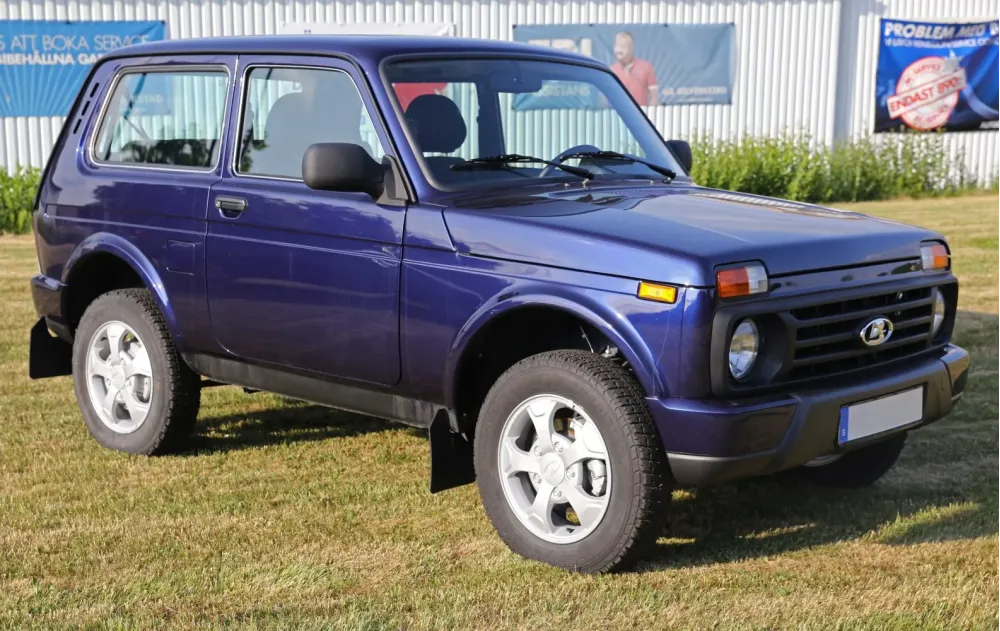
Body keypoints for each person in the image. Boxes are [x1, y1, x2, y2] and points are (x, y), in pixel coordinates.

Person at [610, 31, 658, 106]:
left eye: (623, 46)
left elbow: (654, 97)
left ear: (631, 48)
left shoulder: (646, 67)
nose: (618, 50)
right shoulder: (611, 71)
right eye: (617, 46)